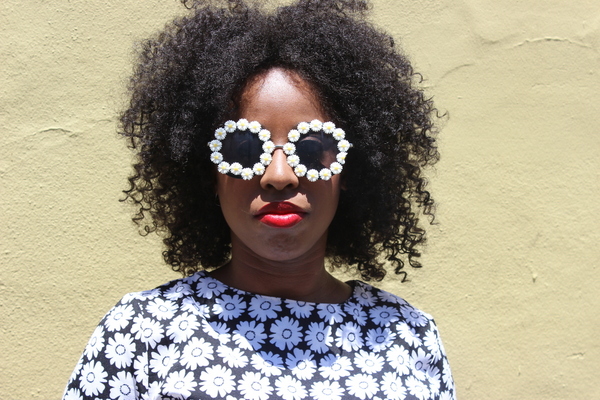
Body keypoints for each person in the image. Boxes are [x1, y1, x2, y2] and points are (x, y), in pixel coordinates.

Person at [63, 0, 456, 399]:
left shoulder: (408, 335)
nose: (279, 176)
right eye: (245, 150)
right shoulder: (141, 332)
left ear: (352, 169)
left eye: (312, 148)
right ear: (207, 172)